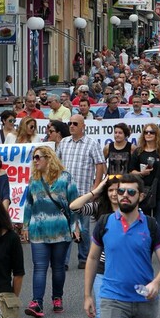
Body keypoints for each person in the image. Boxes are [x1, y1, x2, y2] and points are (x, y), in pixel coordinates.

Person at [83, 174, 160, 318]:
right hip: (113, 299)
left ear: (141, 196)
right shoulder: (104, 222)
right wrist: (88, 295)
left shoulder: (151, 225)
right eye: (121, 191)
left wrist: (156, 283)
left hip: (144, 300)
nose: (124, 195)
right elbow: (92, 258)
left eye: (131, 192)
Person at [22, 146, 79, 318]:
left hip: (60, 229)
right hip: (38, 230)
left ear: (49, 158)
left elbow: (74, 204)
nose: (35, 161)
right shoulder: (34, 180)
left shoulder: (65, 178)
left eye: (38, 157)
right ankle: (36, 302)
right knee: (39, 267)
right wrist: (25, 226)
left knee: (58, 267)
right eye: (34, 158)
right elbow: (28, 205)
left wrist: (76, 227)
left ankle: (57, 297)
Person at [70, 175, 122, 318]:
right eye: (111, 190)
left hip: (124, 269)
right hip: (102, 268)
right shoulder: (99, 207)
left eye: (118, 190)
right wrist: (96, 190)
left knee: (126, 314)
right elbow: (74, 207)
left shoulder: (131, 210)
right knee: (102, 314)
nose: (115, 194)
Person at [57, 114, 106, 269]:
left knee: (83, 228)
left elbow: (99, 163)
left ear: (83, 126)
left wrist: (96, 185)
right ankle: (63, 261)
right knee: (65, 227)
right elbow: (57, 164)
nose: (71, 126)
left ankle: (84, 258)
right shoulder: (63, 143)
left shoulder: (92, 144)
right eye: (70, 123)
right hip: (65, 193)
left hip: (84, 191)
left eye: (75, 124)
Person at [129, 123, 160, 230]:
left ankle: (159, 246)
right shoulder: (138, 152)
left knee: (159, 223)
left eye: (151, 132)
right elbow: (131, 171)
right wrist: (141, 173)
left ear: (156, 135)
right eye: (146, 132)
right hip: (143, 191)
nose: (148, 134)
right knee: (144, 222)